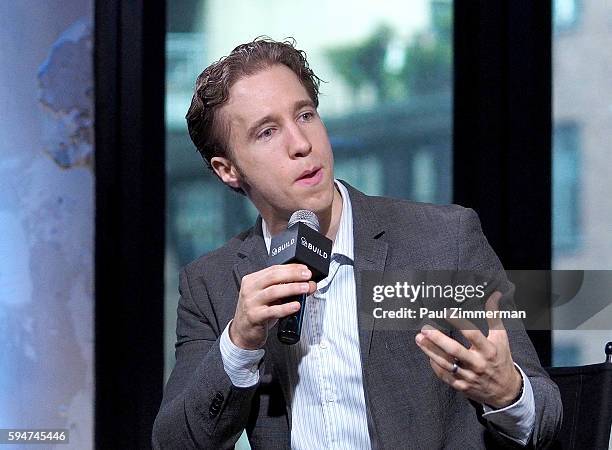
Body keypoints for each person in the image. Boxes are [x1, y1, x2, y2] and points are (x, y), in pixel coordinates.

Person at [152, 37, 561, 449]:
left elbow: (546, 417)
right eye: (267, 132)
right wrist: (240, 343)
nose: (301, 144)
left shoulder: (442, 240)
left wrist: (507, 393)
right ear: (228, 170)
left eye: (306, 115)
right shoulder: (212, 284)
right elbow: (175, 442)